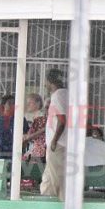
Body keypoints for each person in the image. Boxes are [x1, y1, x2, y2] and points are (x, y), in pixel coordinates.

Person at [40, 69, 69, 200]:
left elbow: (62, 121)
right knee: (49, 178)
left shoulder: (57, 96)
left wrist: (54, 141)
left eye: (46, 82)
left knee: (56, 178)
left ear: (50, 81)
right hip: (65, 143)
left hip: (58, 145)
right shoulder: (68, 95)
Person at [0, 95, 28, 160]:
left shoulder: (21, 119)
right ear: (3, 105)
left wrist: (22, 151)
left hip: (15, 153)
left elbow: (25, 137)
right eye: (10, 103)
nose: (12, 105)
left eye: (14, 103)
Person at [22, 93, 48, 164]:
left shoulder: (41, 117)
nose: (28, 105)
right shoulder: (29, 116)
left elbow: (30, 136)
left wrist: (26, 136)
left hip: (39, 151)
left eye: (30, 103)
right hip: (34, 149)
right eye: (27, 103)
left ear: (38, 103)